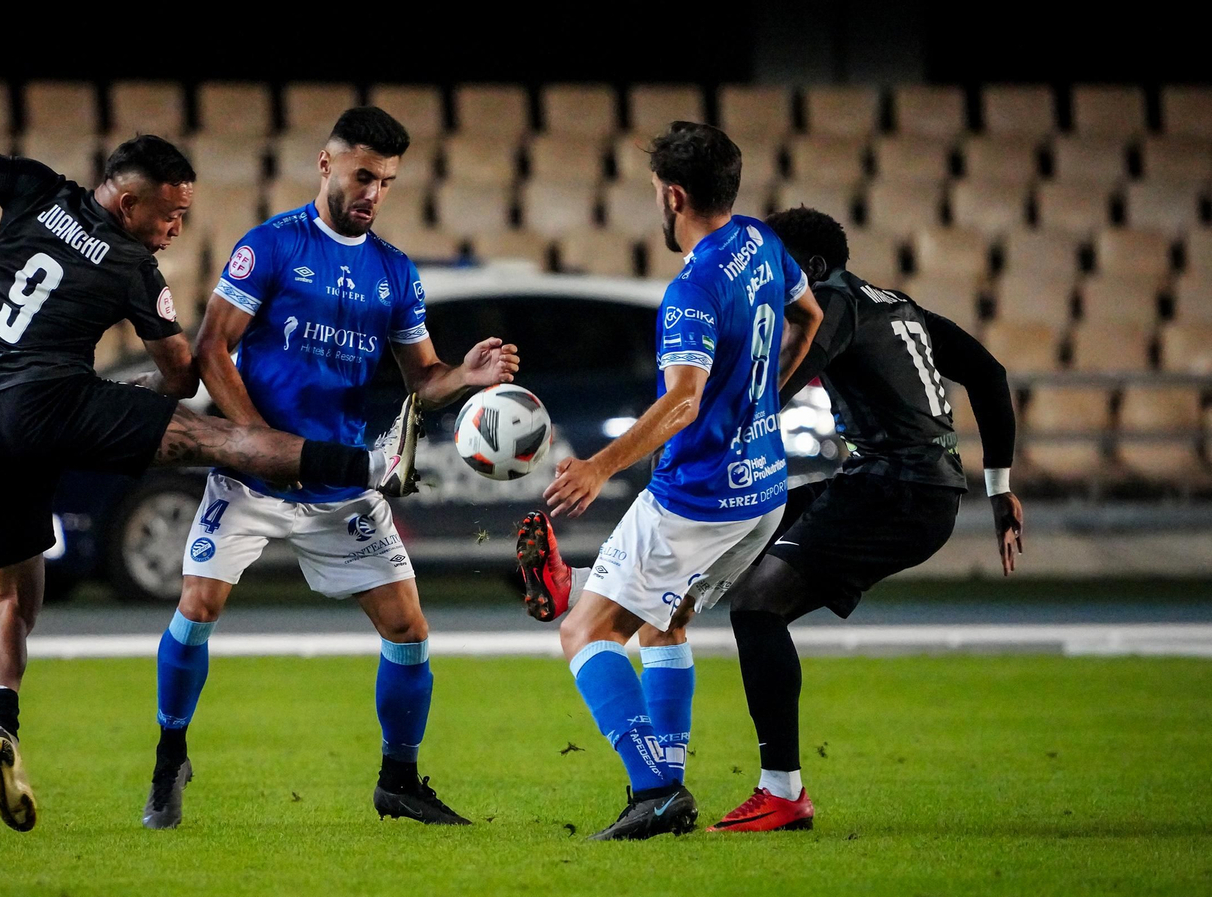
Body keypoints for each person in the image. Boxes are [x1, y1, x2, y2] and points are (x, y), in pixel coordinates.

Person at [0, 112, 420, 833]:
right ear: (128, 204)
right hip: (59, 402)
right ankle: (373, 460)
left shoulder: (32, 189)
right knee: (229, 440)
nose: (176, 229)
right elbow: (184, 376)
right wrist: (138, 395)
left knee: (13, 605)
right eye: (171, 214)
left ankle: (1, 724)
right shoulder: (132, 269)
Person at [142, 107, 518, 830]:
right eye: (364, 175)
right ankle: (170, 752)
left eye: (388, 181)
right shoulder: (272, 247)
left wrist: (464, 375)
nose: (375, 191)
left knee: (408, 629)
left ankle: (399, 780)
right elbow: (213, 348)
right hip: (254, 479)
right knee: (198, 604)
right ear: (327, 164)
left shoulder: (395, 271)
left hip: (343, 484)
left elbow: (422, 379)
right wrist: (255, 443)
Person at [514, 122, 822, 840]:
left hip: (699, 496)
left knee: (585, 632)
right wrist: (763, 399)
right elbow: (809, 316)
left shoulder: (693, 287)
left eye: (657, 192)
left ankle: (653, 788)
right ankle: (669, 777)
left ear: (674, 194)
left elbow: (683, 399)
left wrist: (598, 466)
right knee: (665, 617)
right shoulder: (762, 243)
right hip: (762, 491)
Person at [706, 205, 1024, 832]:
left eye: (776, 263)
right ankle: (585, 585)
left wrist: (702, 425)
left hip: (895, 491)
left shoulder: (831, 302)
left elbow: (776, 388)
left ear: (814, 268)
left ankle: (782, 793)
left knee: (756, 603)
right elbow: (987, 372)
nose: (767, 276)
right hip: (897, 485)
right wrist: (999, 487)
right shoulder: (895, 303)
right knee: (742, 521)